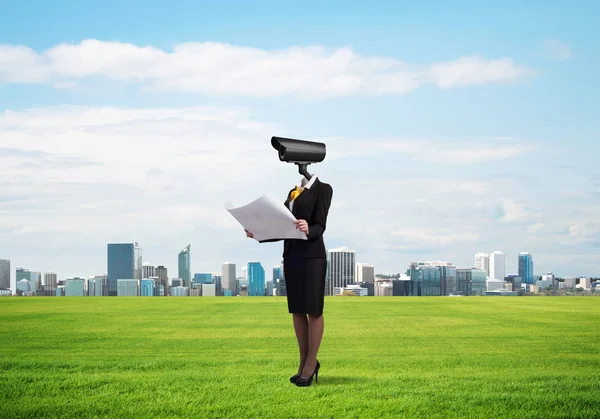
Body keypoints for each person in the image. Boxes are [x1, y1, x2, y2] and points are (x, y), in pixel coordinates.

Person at [244, 174, 333, 387]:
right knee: (297, 311)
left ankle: (312, 363)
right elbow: (281, 228)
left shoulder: (323, 189)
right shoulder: (292, 193)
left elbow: (320, 225)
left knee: (314, 310)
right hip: (292, 256)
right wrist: (257, 234)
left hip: (313, 257)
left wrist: (308, 228)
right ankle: (303, 363)